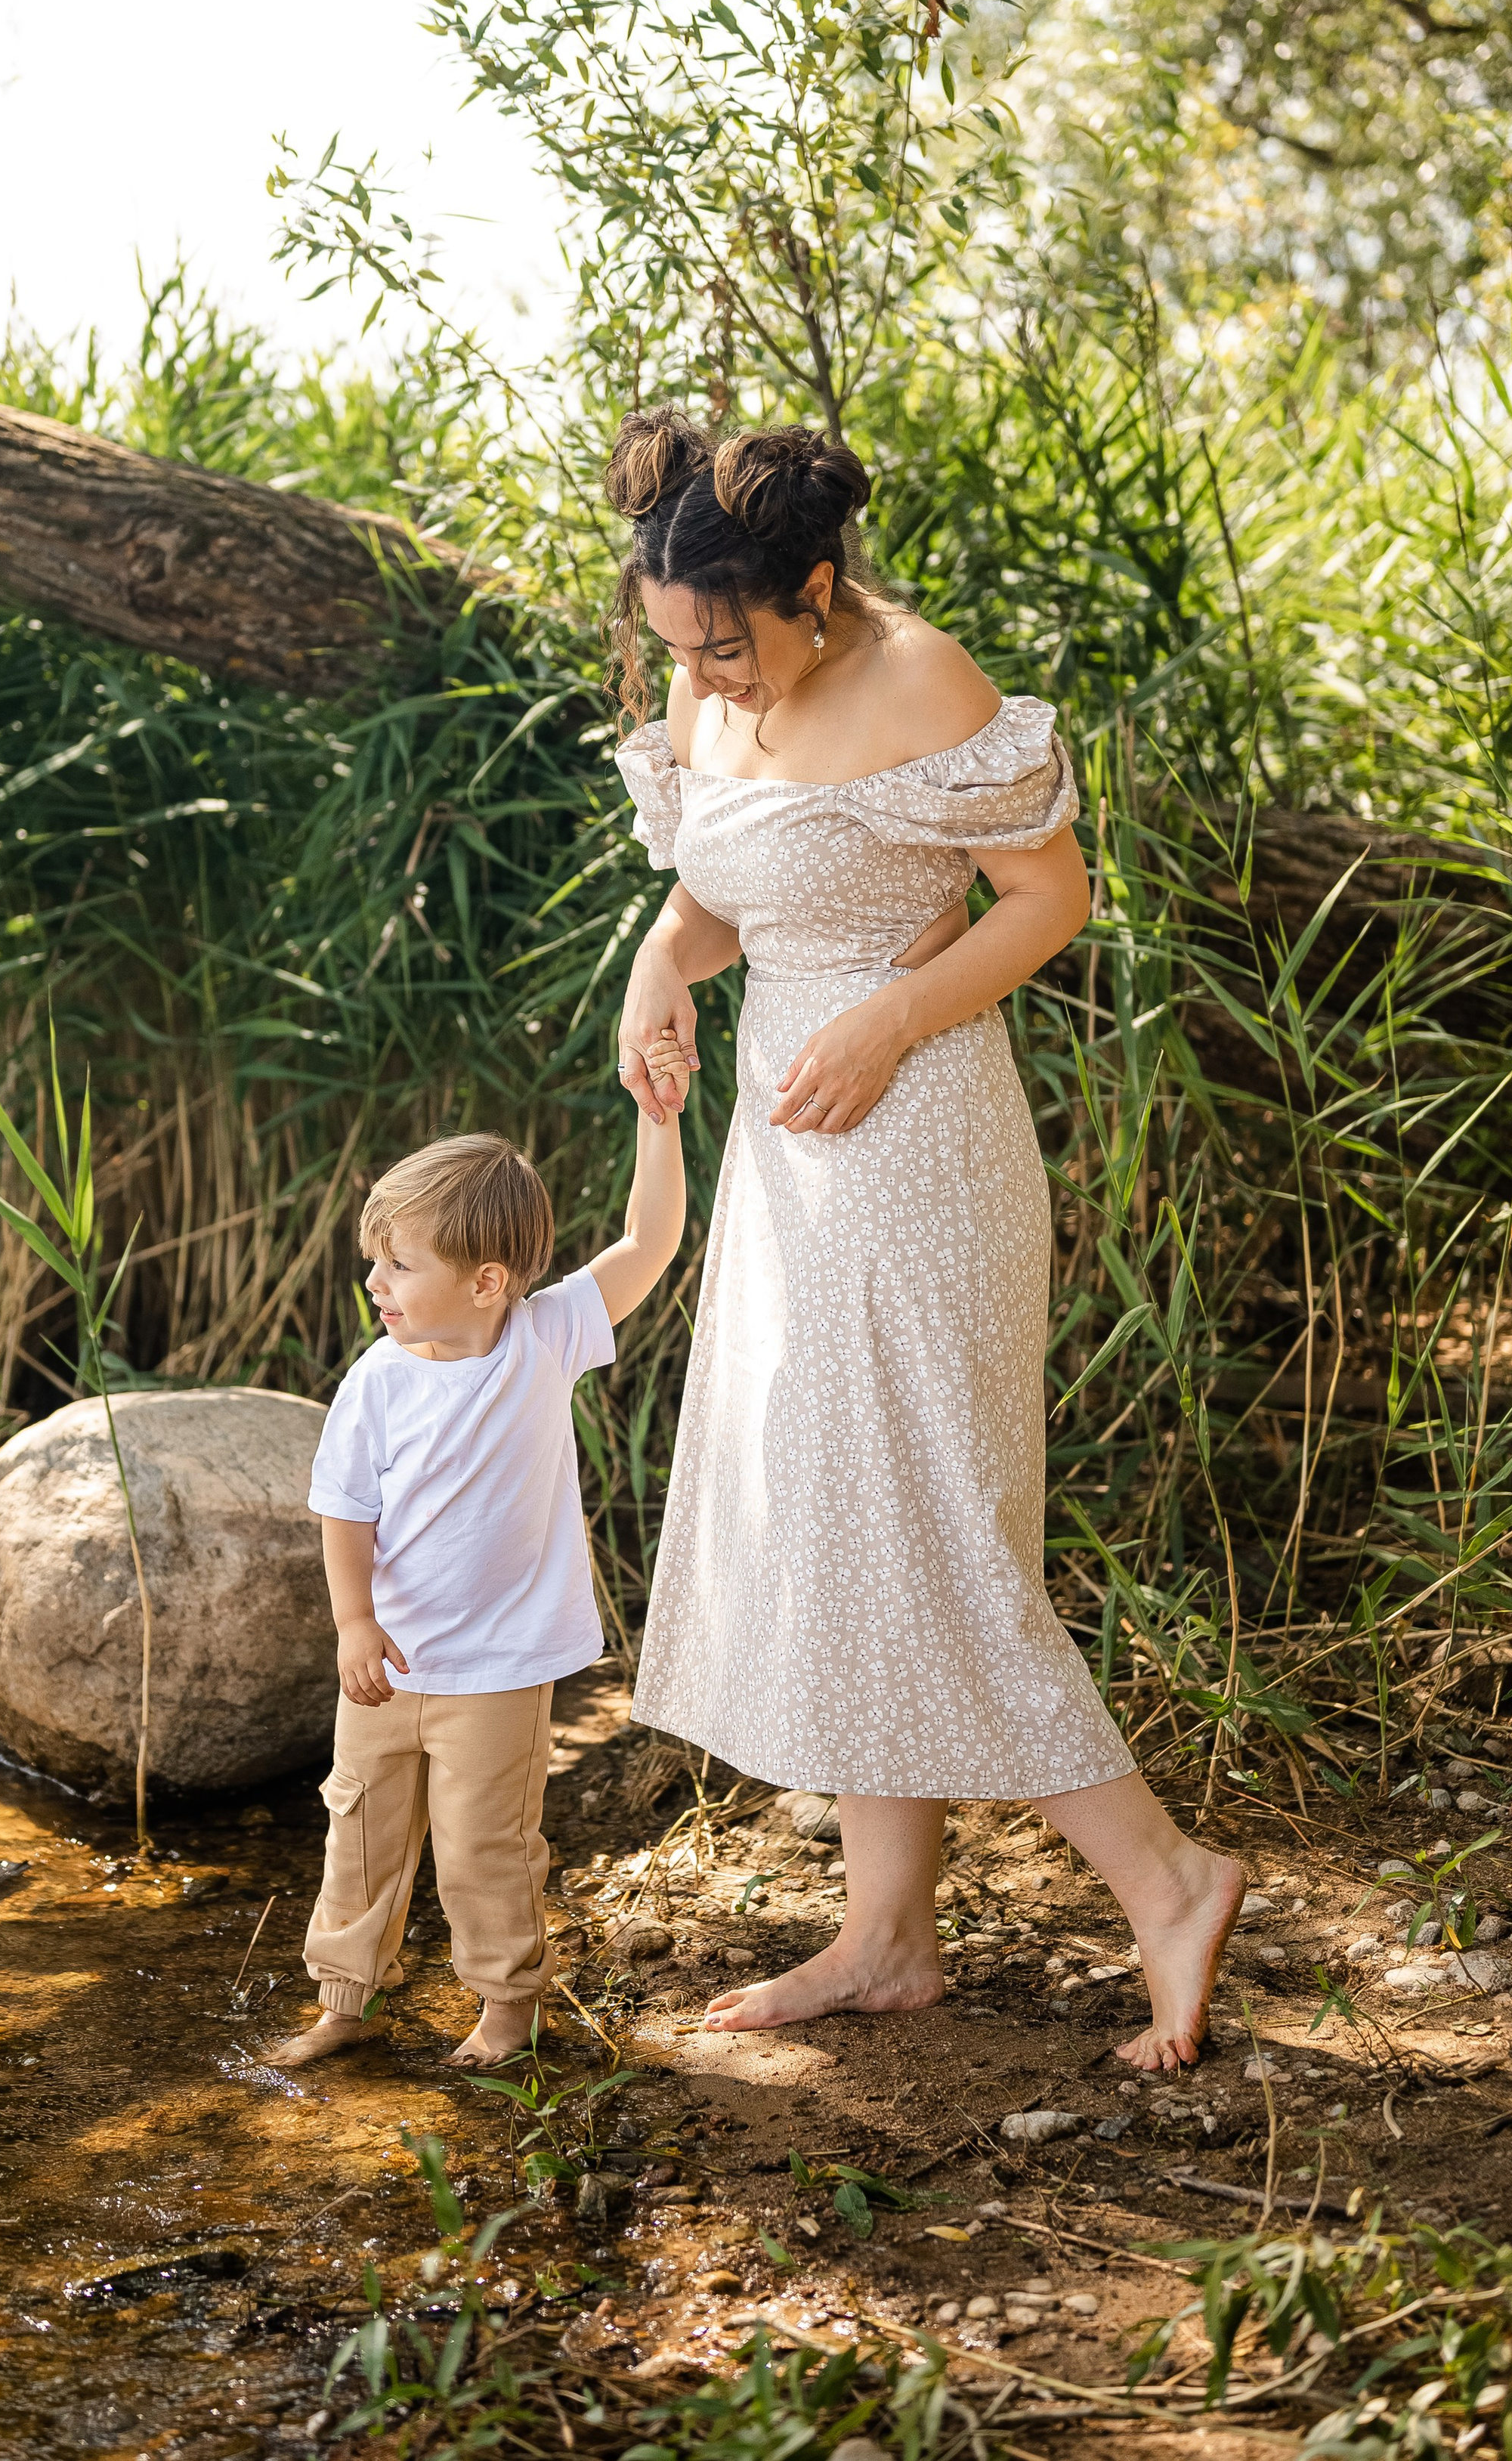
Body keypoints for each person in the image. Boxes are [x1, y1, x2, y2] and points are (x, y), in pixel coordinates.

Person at [608, 409, 1243, 2074]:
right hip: (784, 1141)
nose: (704, 675)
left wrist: (891, 1018)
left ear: (813, 588)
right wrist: (655, 968)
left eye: (726, 643)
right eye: (678, 644)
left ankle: (1166, 1880)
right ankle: (887, 1931)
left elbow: (1049, 900)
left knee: (929, 1522)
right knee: (839, 1513)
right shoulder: (706, 662)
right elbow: (710, 888)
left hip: (916, 1130)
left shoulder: (922, 682)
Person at [272, 1092, 688, 2071]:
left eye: (400, 1264)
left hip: (498, 1673)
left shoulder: (543, 1339)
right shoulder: (377, 1378)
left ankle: (506, 2010)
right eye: (377, 1258)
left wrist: (656, 1116)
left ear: (488, 1281)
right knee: (361, 1836)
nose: (374, 1279)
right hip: (390, 1668)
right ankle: (345, 2002)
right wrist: (353, 1624)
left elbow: (651, 1240)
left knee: (484, 1850)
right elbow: (345, 1508)